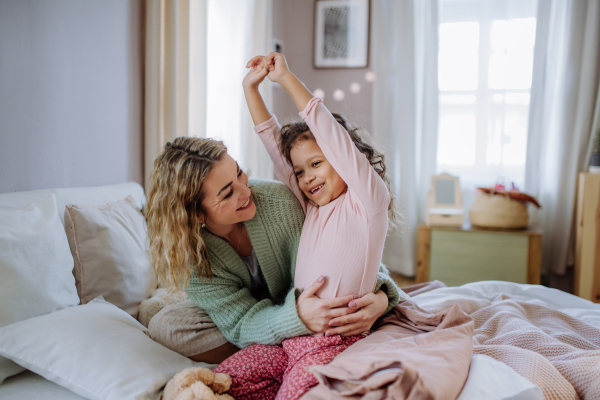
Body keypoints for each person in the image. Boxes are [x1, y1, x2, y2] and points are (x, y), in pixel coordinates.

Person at [212, 53, 408, 400]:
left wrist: (286, 78)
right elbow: (273, 143)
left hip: (335, 341)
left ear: (344, 158)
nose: (306, 178)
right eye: (300, 171)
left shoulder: (367, 203)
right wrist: (250, 90)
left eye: (316, 163)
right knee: (225, 378)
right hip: (293, 332)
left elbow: (332, 136)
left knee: (297, 394)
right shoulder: (311, 206)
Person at [144, 126, 404, 364]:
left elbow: (347, 250)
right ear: (197, 215)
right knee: (165, 327)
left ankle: (277, 349)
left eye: (239, 173)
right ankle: (284, 350)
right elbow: (239, 321)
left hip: (310, 305)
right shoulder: (192, 257)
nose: (245, 191)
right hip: (273, 316)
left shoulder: (280, 201)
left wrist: (382, 296)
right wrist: (296, 319)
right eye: (227, 193)